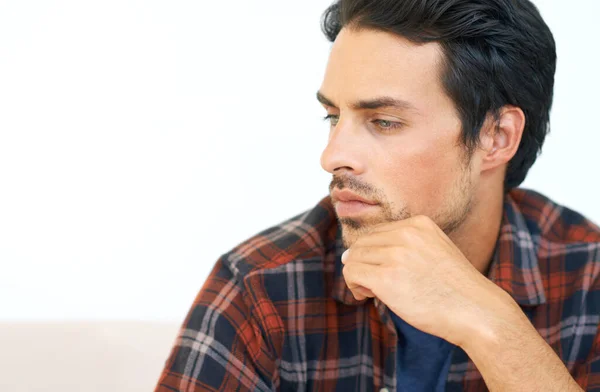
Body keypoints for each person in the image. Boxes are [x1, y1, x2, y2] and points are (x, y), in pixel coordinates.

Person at [155, 0, 600, 391]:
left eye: (384, 121)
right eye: (333, 117)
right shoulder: (259, 286)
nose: (333, 156)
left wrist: (493, 329)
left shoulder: (589, 281)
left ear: (496, 137)